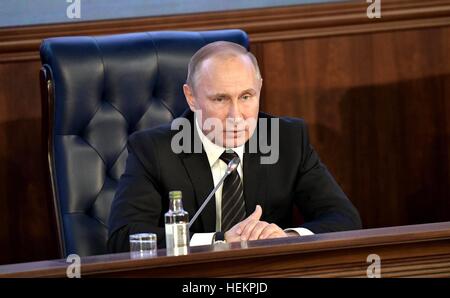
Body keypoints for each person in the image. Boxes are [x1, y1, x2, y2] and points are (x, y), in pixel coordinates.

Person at [107, 41, 361, 252]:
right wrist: (219, 241)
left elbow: (345, 219)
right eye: (220, 99)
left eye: (246, 97)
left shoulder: (287, 139)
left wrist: (288, 235)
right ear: (191, 97)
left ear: (259, 88)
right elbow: (124, 239)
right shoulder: (154, 150)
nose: (236, 116)